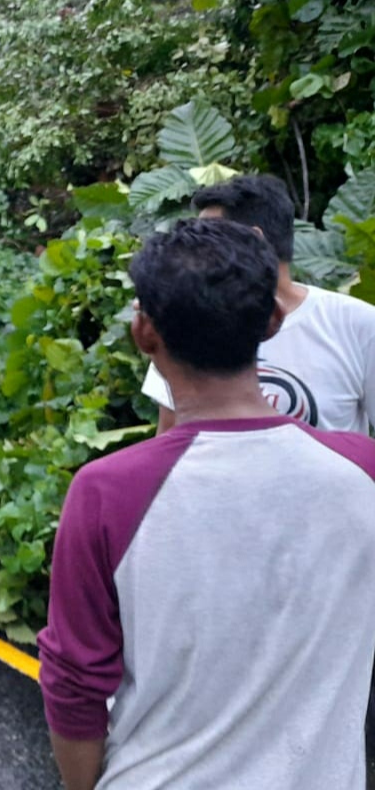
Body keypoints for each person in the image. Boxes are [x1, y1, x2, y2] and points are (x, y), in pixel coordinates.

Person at [39, 219, 375, 789]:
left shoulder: (105, 494)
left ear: (144, 333)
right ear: (273, 320)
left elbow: (75, 685)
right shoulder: (361, 473)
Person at [142, 173, 375, 434]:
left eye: (210, 240)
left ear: (254, 242)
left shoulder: (358, 325)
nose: (196, 254)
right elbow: (168, 439)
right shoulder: (187, 320)